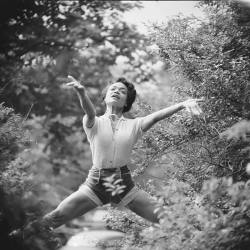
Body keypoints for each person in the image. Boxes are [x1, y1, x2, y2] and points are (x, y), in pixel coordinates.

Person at [11, 75, 203, 239]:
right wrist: (81, 92)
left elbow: (156, 116)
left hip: (123, 185)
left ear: (126, 102)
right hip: (95, 184)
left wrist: (183, 104)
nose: (116, 91)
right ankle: (14, 239)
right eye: (113, 89)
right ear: (105, 98)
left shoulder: (135, 125)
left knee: (169, 219)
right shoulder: (92, 122)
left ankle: (209, 239)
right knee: (55, 218)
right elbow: (89, 111)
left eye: (122, 91)